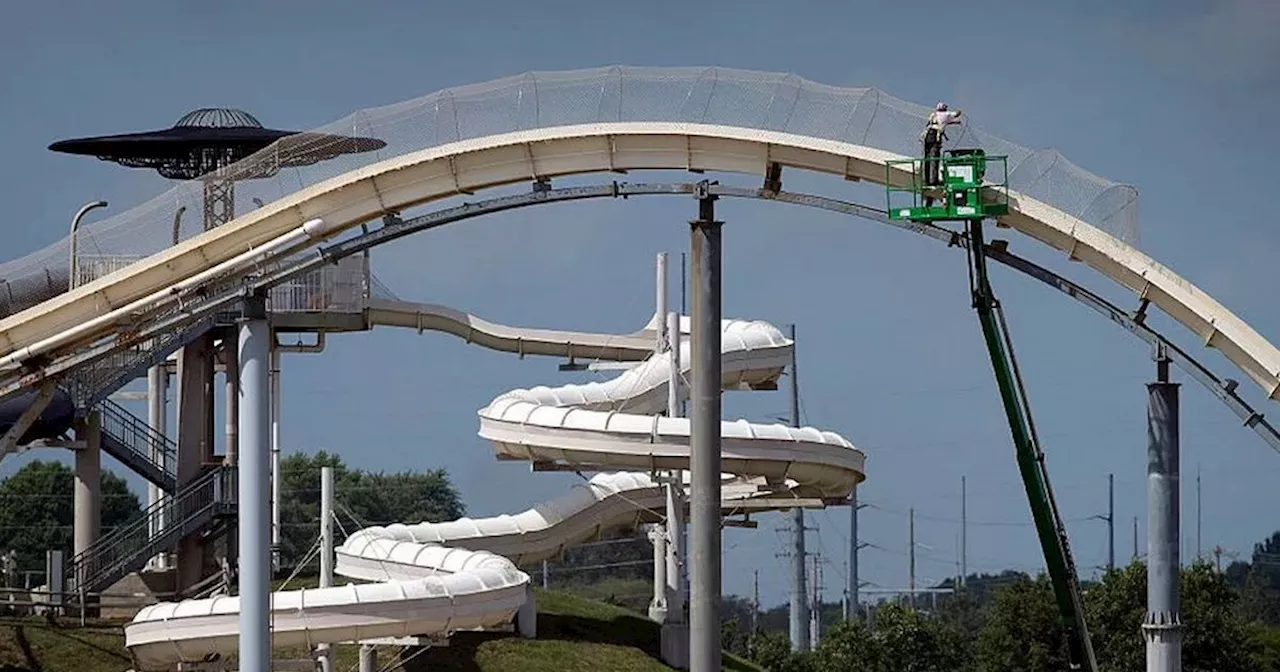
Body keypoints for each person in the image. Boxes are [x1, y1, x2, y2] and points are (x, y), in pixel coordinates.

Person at [920, 103, 963, 189]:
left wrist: (954, 122)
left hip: (927, 137)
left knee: (927, 159)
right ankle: (934, 181)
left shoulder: (933, 115)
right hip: (935, 137)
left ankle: (927, 181)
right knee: (935, 159)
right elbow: (956, 114)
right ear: (944, 109)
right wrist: (960, 112)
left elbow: (943, 122)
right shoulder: (946, 114)